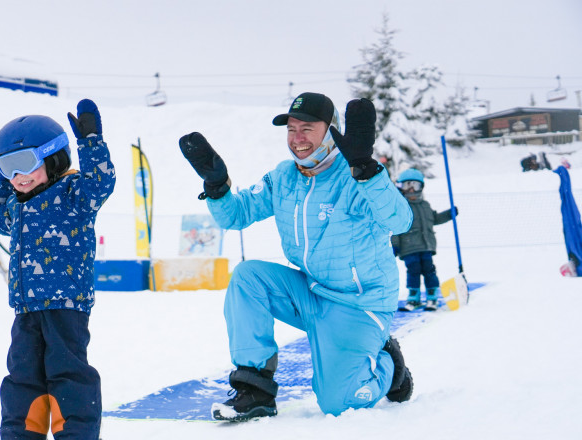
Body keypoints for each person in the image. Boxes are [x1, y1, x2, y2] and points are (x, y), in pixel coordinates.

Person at [179, 93, 414, 422]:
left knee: (339, 402)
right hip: (312, 291)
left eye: (307, 128)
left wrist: (367, 171)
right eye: (291, 129)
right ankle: (255, 390)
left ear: (331, 131)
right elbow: (236, 215)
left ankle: (391, 366)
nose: (297, 138)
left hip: (359, 304)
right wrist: (217, 186)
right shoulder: (284, 177)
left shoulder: (355, 178)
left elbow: (400, 221)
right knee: (249, 277)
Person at [0, 99, 116, 440]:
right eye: (8, 168)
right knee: (22, 373)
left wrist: (91, 143)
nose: (18, 176)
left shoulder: (74, 193)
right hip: (26, 306)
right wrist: (3, 178)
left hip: (66, 302)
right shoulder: (16, 204)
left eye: (25, 164)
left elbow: (101, 183)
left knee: (67, 371)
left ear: (53, 158)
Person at [390, 168, 457, 311]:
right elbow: (396, 228)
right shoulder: (401, 207)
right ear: (401, 188)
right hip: (408, 248)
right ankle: (413, 298)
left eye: (416, 185)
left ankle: (432, 297)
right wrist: (394, 245)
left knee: (429, 270)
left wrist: (449, 214)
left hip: (426, 246)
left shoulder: (425, 205)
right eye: (408, 186)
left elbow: (435, 219)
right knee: (413, 270)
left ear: (421, 187)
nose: (412, 190)